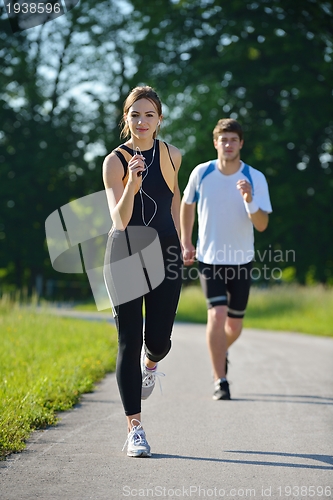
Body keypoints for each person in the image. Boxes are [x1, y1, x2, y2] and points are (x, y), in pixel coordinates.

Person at [103, 86, 182, 457]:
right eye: (135, 114)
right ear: (126, 119)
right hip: (125, 252)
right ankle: (135, 429)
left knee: (159, 340)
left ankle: (151, 364)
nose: (142, 121)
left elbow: (175, 199)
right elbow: (118, 220)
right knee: (128, 340)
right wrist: (131, 186)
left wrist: (183, 242)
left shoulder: (172, 155)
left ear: (159, 119)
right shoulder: (114, 162)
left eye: (149, 114)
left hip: (164, 251)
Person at [180, 118, 272, 401]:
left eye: (234, 139)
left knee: (234, 327)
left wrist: (249, 198)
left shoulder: (254, 177)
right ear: (215, 142)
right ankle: (220, 379)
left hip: (242, 260)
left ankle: (220, 351)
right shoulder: (202, 172)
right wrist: (186, 241)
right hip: (210, 260)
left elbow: (261, 224)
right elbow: (187, 204)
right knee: (217, 316)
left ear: (241, 143)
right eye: (224, 139)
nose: (228, 144)